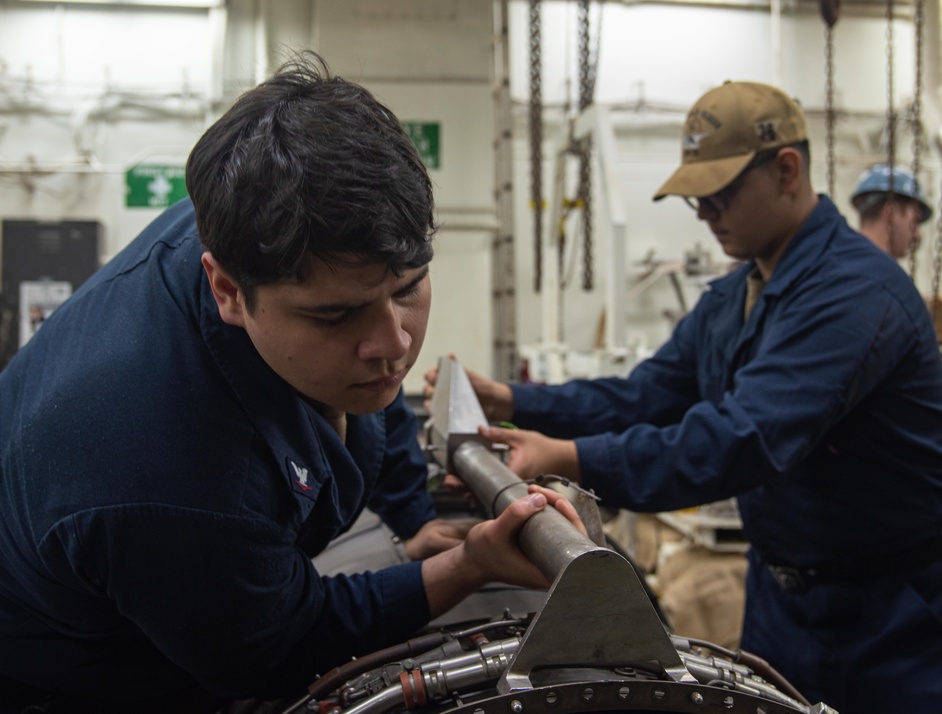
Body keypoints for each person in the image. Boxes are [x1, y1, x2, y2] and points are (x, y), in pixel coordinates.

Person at [0, 52, 582, 714]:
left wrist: (416, 522)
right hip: (88, 677)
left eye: (409, 288)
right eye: (335, 315)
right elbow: (281, 648)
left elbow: (374, 398)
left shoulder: (266, 220)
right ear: (227, 288)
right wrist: (466, 565)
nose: (393, 343)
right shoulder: (164, 474)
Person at [426, 81, 942, 714]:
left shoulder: (853, 293)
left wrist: (567, 456)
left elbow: (739, 439)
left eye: (719, 193)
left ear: (787, 169)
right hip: (787, 594)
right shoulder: (736, 295)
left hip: (901, 605)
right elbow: (644, 395)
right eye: (696, 198)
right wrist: (512, 399)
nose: (705, 213)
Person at [850, 163, 933, 259]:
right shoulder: (883, 272)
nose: (917, 235)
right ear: (891, 213)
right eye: (914, 221)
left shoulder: (841, 263)